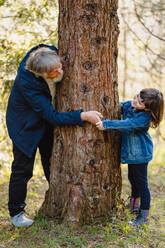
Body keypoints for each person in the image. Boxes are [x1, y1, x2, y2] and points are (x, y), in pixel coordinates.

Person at [6, 44, 102, 227]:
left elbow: (45, 48)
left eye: (59, 65)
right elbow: (52, 116)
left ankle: (59, 200)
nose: (60, 70)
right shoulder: (30, 85)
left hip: (43, 122)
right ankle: (16, 213)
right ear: (41, 74)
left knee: (52, 161)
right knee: (22, 169)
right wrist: (82, 116)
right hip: (25, 127)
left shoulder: (43, 53)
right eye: (54, 70)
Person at [96, 88, 164, 226]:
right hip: (132, 155)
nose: (135, 100)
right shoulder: (130, 105)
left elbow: (127, 124)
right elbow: (119, 105)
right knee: (132, 179)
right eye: (137, 96)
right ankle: (134, 205)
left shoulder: (144, 118)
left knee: (142, 184)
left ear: (147, 109)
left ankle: (144, 216)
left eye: (140, 102)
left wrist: (107, 124)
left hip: (140, 155)